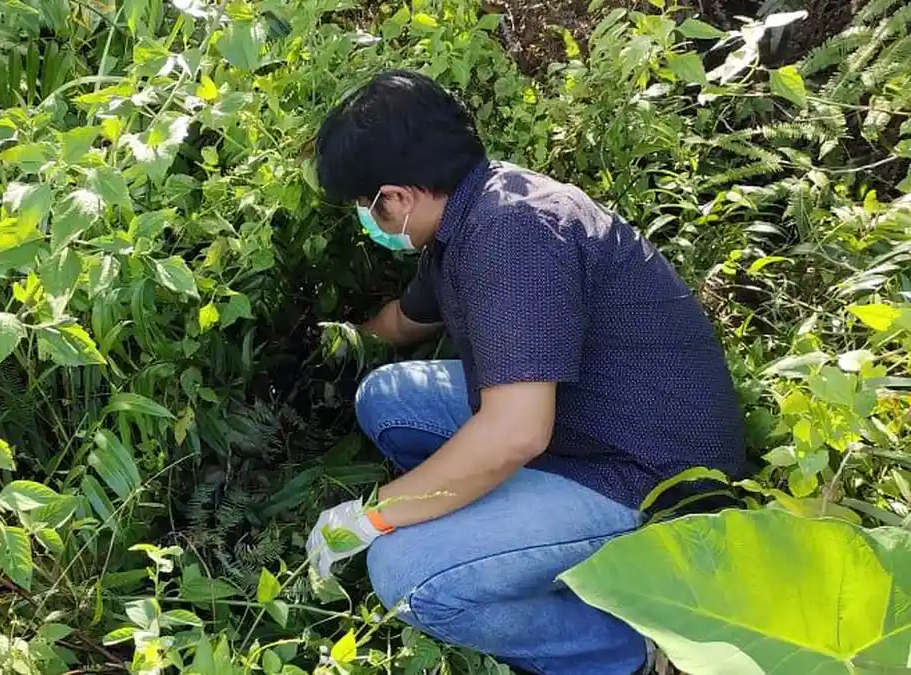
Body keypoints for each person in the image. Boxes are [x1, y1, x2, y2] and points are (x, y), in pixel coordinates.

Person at [303, 70, 745, 675]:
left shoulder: (515, 237)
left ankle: (630, 649)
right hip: (579, 423)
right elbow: (405, 321)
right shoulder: (466, 212)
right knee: (388, 397)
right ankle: (496, 526)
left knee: (407, 574)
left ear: (397, 198)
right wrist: (331, 344)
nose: (366, 217)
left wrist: (372, 514)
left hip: (646, 476)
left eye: (363, 205)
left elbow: (517, 432)